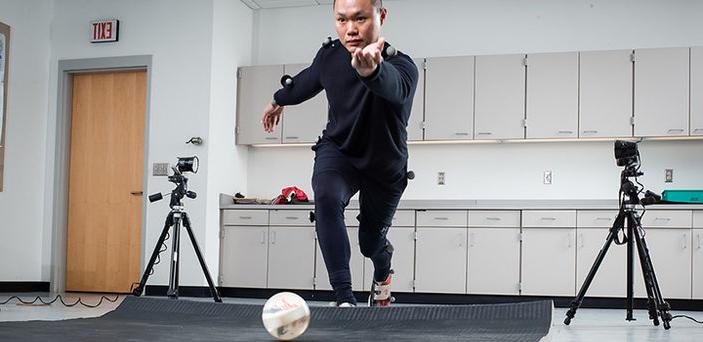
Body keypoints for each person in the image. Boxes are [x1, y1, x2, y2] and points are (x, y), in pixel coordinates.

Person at [261, 0, 418, 307]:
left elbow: (394, 88)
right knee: (327, 197)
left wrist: (371, 72)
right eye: (342, 20)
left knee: (369, 243)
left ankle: (383, 271)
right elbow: (306, 81)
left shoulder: (403, 67)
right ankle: (344, 299)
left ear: (380, 16)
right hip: (339, 151)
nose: (350, 29)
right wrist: (278, 99)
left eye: (360, 18)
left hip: (384, 165)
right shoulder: (330, 56)